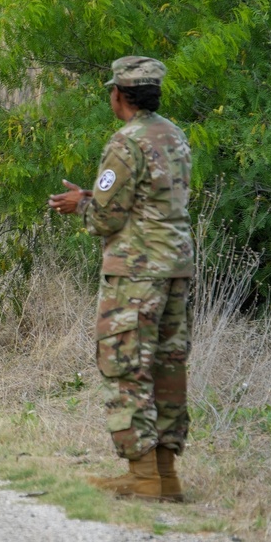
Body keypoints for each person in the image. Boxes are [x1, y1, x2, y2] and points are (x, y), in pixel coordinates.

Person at [48, 56, 193, 501]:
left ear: (119, 95)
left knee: (126, 364)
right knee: (167, 367)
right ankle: (166, 476)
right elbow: (154, 199)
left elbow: (107, 219)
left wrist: (80, 204)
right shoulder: (174, 134)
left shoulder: (125, 142)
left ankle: (142, 477)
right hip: (176, 266)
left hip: (136, 272)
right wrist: (94, 197)